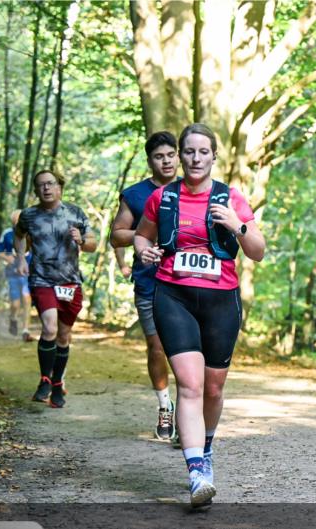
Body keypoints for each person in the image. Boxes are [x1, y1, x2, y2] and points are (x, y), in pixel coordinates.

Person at [134, 123, 265, 507]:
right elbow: (142, 233)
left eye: (202, 152)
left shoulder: (231, 198)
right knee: (189, 385)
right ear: (180, 155)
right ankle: (195, 472)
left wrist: (237, 226)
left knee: (212, 387)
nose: (194, 159)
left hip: (220, 301)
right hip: (172, 295)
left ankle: (205, 448)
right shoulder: (163, 197)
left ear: (213, 156)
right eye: (188, 152)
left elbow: (257, 250)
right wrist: (144, 250)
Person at [110, 131, 179, 441]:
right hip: (150, 281)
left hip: (189, 283)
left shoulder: (194, 189)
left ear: (178, 156)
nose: (165, 161)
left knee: (191, 350)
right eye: (158, 157)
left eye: (169, 155)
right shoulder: (136, 195)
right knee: (157, 347)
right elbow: (116, 235)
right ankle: (165, 407)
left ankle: (192, 409)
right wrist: (146, 231)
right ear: (150, 161)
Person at [15, 169, 97, 408]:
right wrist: (21, 257)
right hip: (42, 279)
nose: (46, 188)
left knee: (63, 334)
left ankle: (58, 383)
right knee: (49, 327)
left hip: (70, 282)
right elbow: (19, 235)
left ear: (60, 186)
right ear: (36, 190)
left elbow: (93, 244)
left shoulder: (75, 213)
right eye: (41, 185)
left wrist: (81, 240)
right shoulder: (29, 215)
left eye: (50, 184)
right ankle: (44, 379)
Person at [0, 209, 34, 342]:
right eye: (16, 219)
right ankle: (13, 318)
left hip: (28, 274)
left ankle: (25, 330)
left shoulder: (32, 232)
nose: (19, 221)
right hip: (12, 273)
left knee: (27, 299)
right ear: (12, 220)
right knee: (16, 304)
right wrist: (8, 258)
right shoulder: (6, 234)